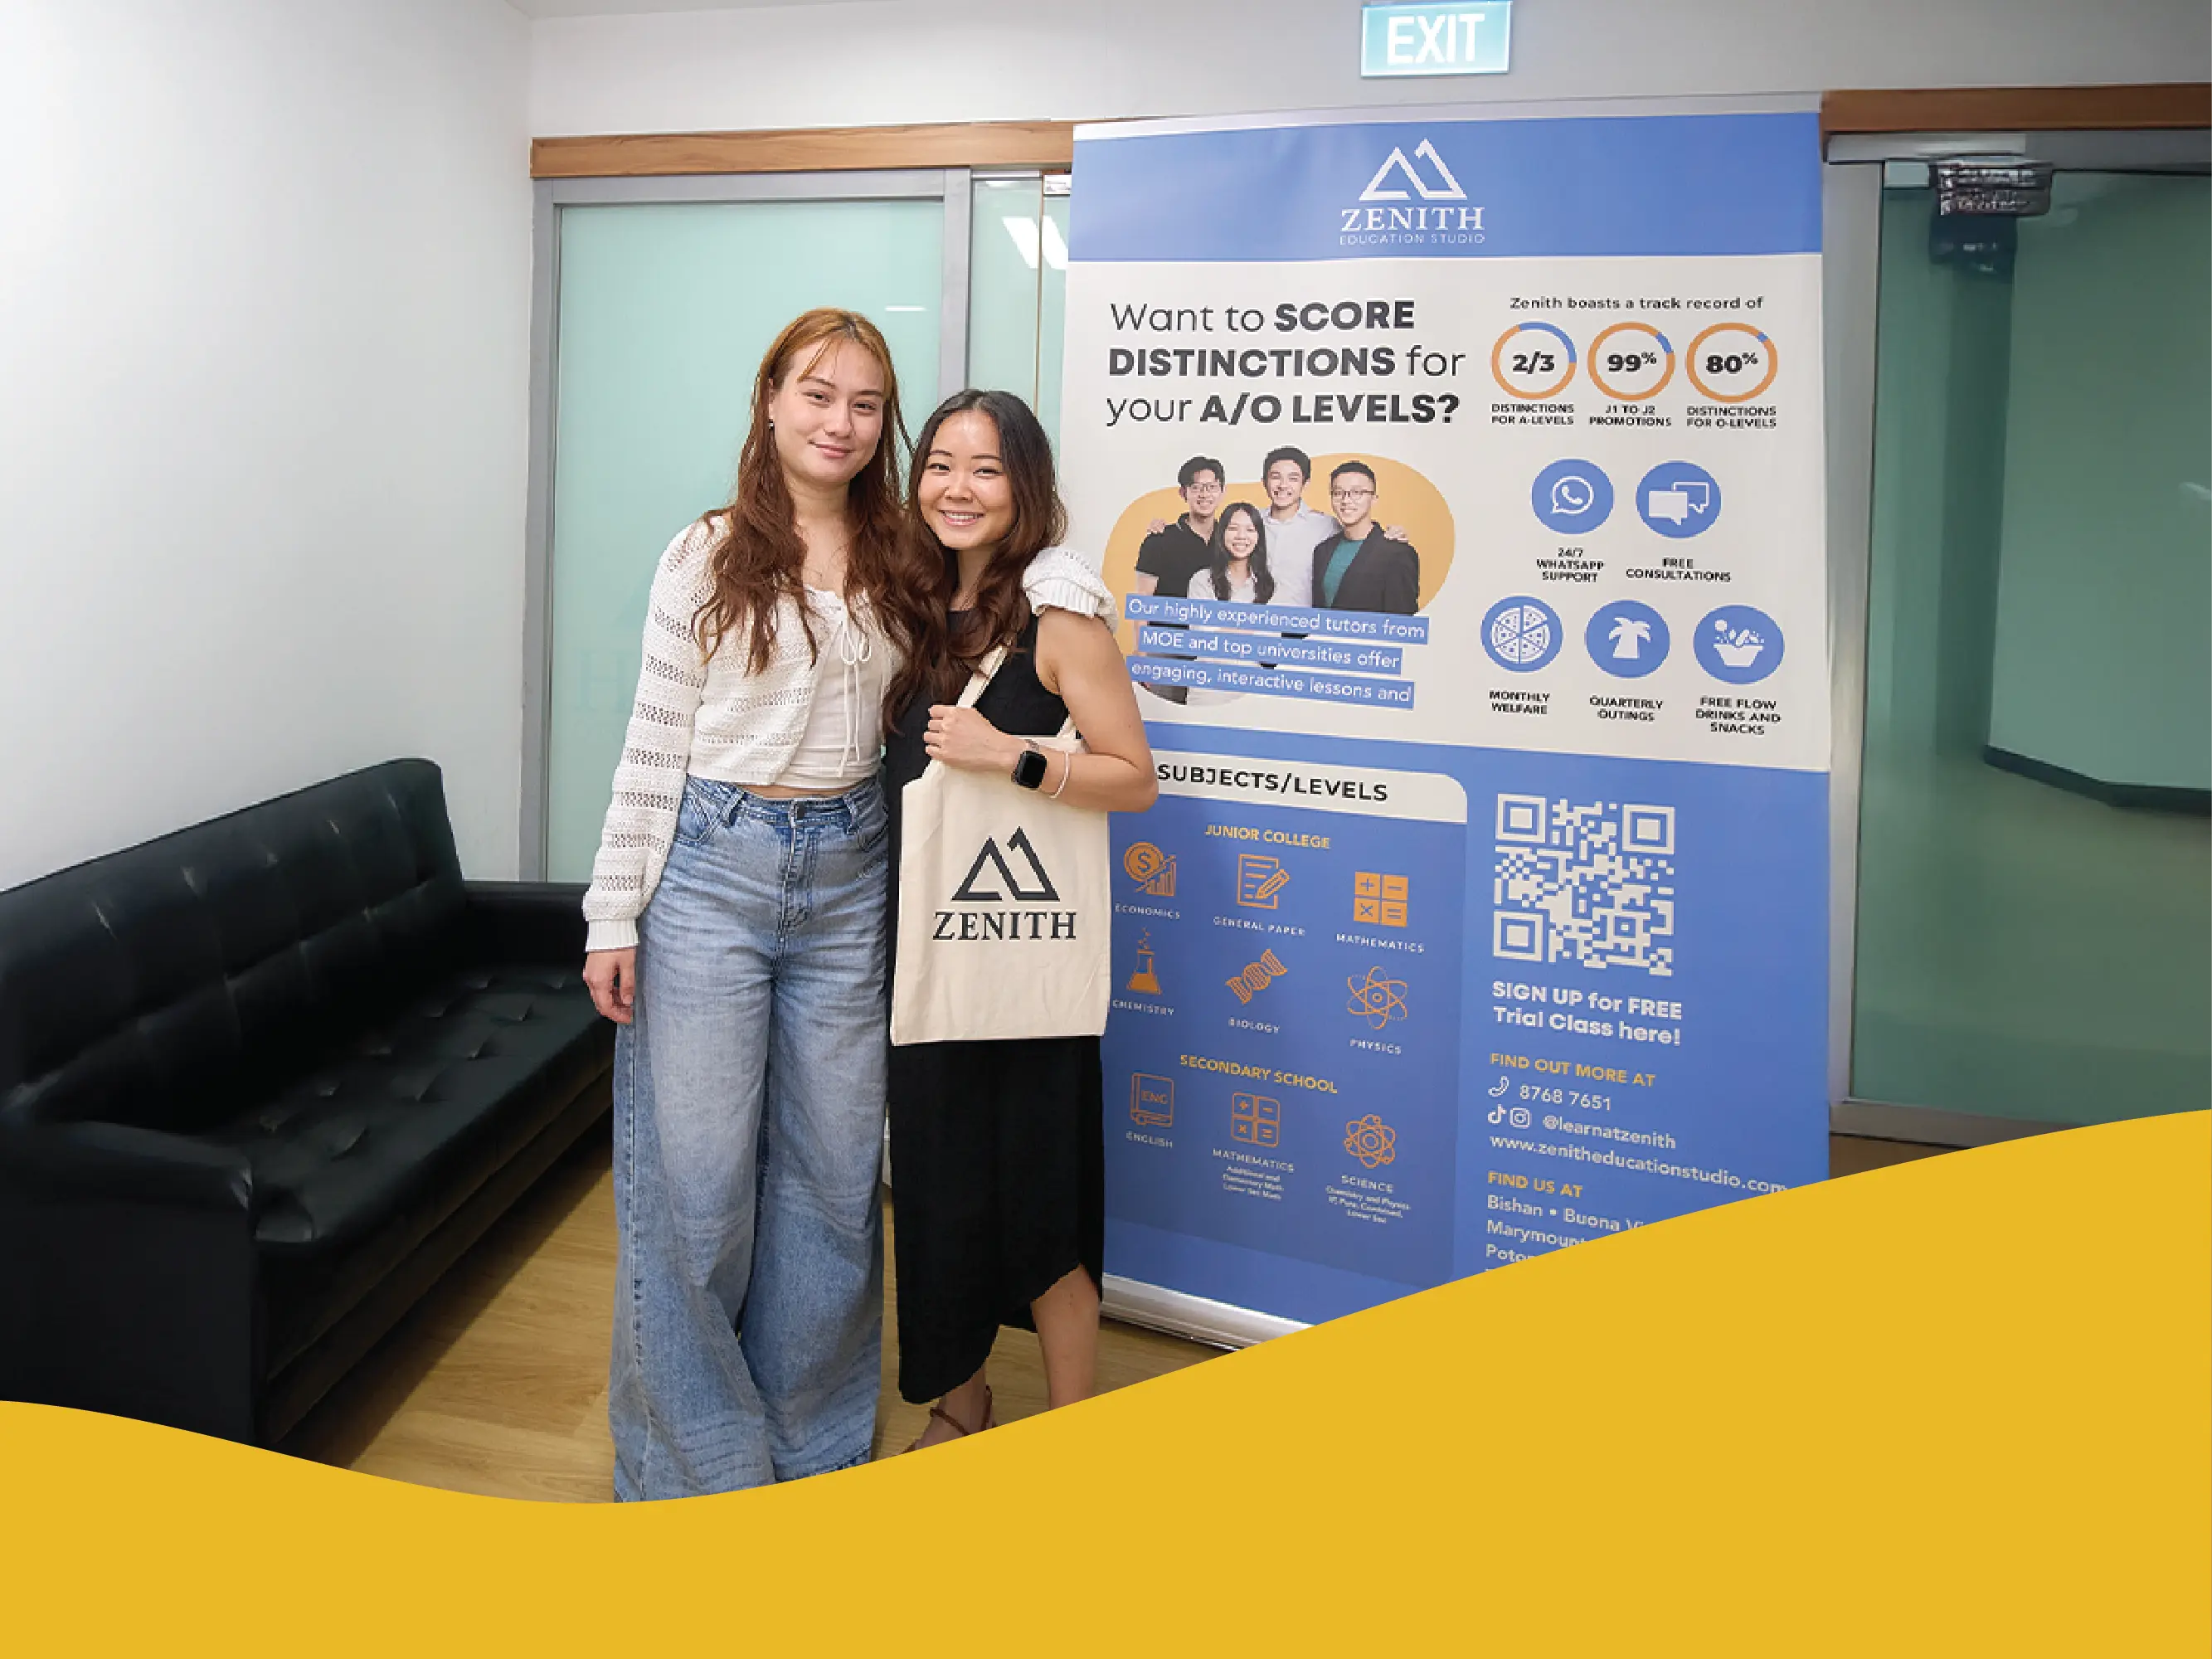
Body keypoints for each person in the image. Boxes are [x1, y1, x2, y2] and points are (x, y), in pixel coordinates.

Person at [883, 388, 1158, 1449]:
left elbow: (1135, 778)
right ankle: (963, 1401)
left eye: (986, 468)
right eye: (940, 464)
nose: (957, 487)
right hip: (922, 951)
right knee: (942, 1191)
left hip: (1024, 954)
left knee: (1046, 1198)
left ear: (1025, 487)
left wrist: (1014, 754)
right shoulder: (905, 606)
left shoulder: (1062, 614)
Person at [1311, 460, 1420, 614]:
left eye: (1357, 493)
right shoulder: (1322, 551)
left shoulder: (1397, 554)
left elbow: (1402, 623)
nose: (1346, 500)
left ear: (1374, 499)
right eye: (1338, 493)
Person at [1131, 455, 1224, 599]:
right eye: (1196, 488)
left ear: (1222, 492)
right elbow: (1142, 602)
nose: (1205, 494)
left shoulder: (1229, 541)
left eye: (1212, 487)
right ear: (1183, 493)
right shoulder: (1158, 542)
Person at [1182, 499, 1275, 605]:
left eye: (1250, 530)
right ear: (1222, 534)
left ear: (1259, 537)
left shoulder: (1270, 585)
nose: (1241, 536)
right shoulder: (1203, 581)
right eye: (1233, 528)